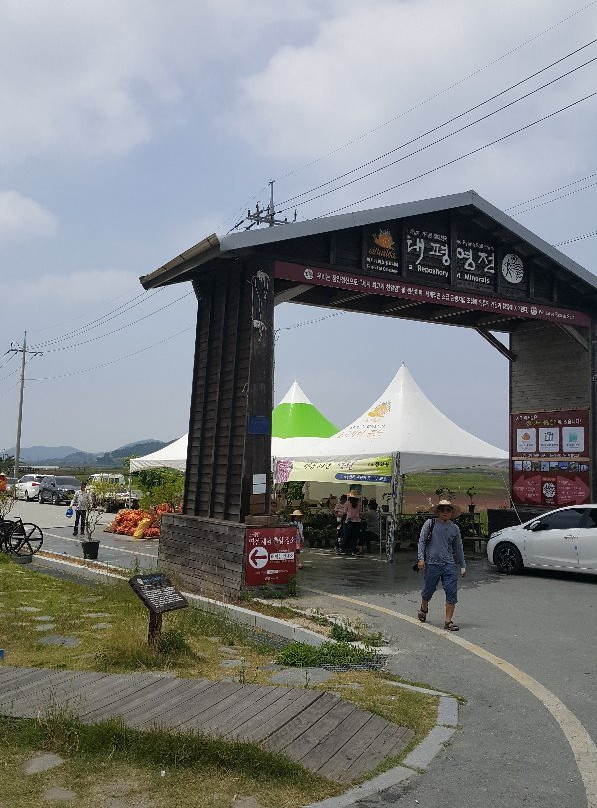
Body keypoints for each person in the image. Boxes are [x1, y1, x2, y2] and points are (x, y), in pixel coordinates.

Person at [417, 499, 466, 631]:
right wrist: (421, 559)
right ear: (438, 511)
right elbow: (421, 542)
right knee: (429, 590)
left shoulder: (454, 528)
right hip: (432, 563)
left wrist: (462, 566)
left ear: (451, 512)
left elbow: (458, 548)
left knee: (451, 592)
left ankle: (448, 621)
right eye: (442, 510)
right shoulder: (430, 524)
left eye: (448, 510)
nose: (445, 512)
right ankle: (424, 607)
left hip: (449, 564)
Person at [340, 491, 362, 556]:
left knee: (347, 536)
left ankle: (343, 549)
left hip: (349, 521)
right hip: (357, 521)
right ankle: (353, 550)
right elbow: (360, 512)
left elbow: (344, 512)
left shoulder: (347, 503)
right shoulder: (359, 503)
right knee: (354, 537)